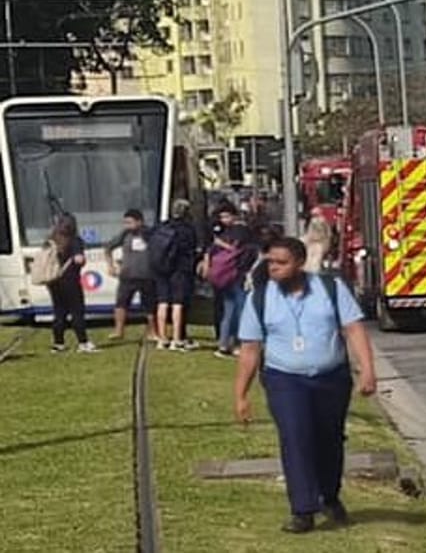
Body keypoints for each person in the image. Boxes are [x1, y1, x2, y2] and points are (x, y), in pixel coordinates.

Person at [233, 237, 377, 534]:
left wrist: (367, 371)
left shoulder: (330, 289)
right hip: (285, 379)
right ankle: (302, 509)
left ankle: (330, 496)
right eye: (270, 262)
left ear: (299, 263)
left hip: (331, 378)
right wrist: (241, 394)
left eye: (281, 263)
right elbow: (250, 348)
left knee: (329, 439)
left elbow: (354, 329)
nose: (274, 268)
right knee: (295, 437)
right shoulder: (259, 297)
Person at [204, 203, 258, 358]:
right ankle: (237, 343)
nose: (224, 219)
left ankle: (223, 343)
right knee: (239, 309)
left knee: (228, 310)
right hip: (237, 274)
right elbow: (242, 250)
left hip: (224, 276)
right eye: (222, 217)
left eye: (226, 216)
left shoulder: (220, 232)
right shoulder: (242, 231)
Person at [103, 209, 158, 342]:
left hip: (147, 275)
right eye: (125, 222)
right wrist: (111, 265)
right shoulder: (124, 234)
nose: (127, 225)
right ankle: (118, 330)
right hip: (127, 275)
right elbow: (108, 247)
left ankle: (153, 331)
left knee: (150, 306)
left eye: (130, 222)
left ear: (139, 222)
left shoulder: (150, 234)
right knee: (121, 303)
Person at [47, 213, 97, 353]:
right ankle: (83, 342)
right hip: (70, 280)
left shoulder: (52, 240)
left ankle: (58, 344)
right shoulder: (74, 240)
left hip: (54, 280)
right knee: (77, 312)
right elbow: (78, 260)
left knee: (59, 312)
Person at [154, 199, 199, 351]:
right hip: (180, 269)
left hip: (161, 269)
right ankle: (177, 338)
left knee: (162, 302)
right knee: (177, 304)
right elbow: (192, 249)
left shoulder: (162, 226)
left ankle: (162, 338)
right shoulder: (187, 229)